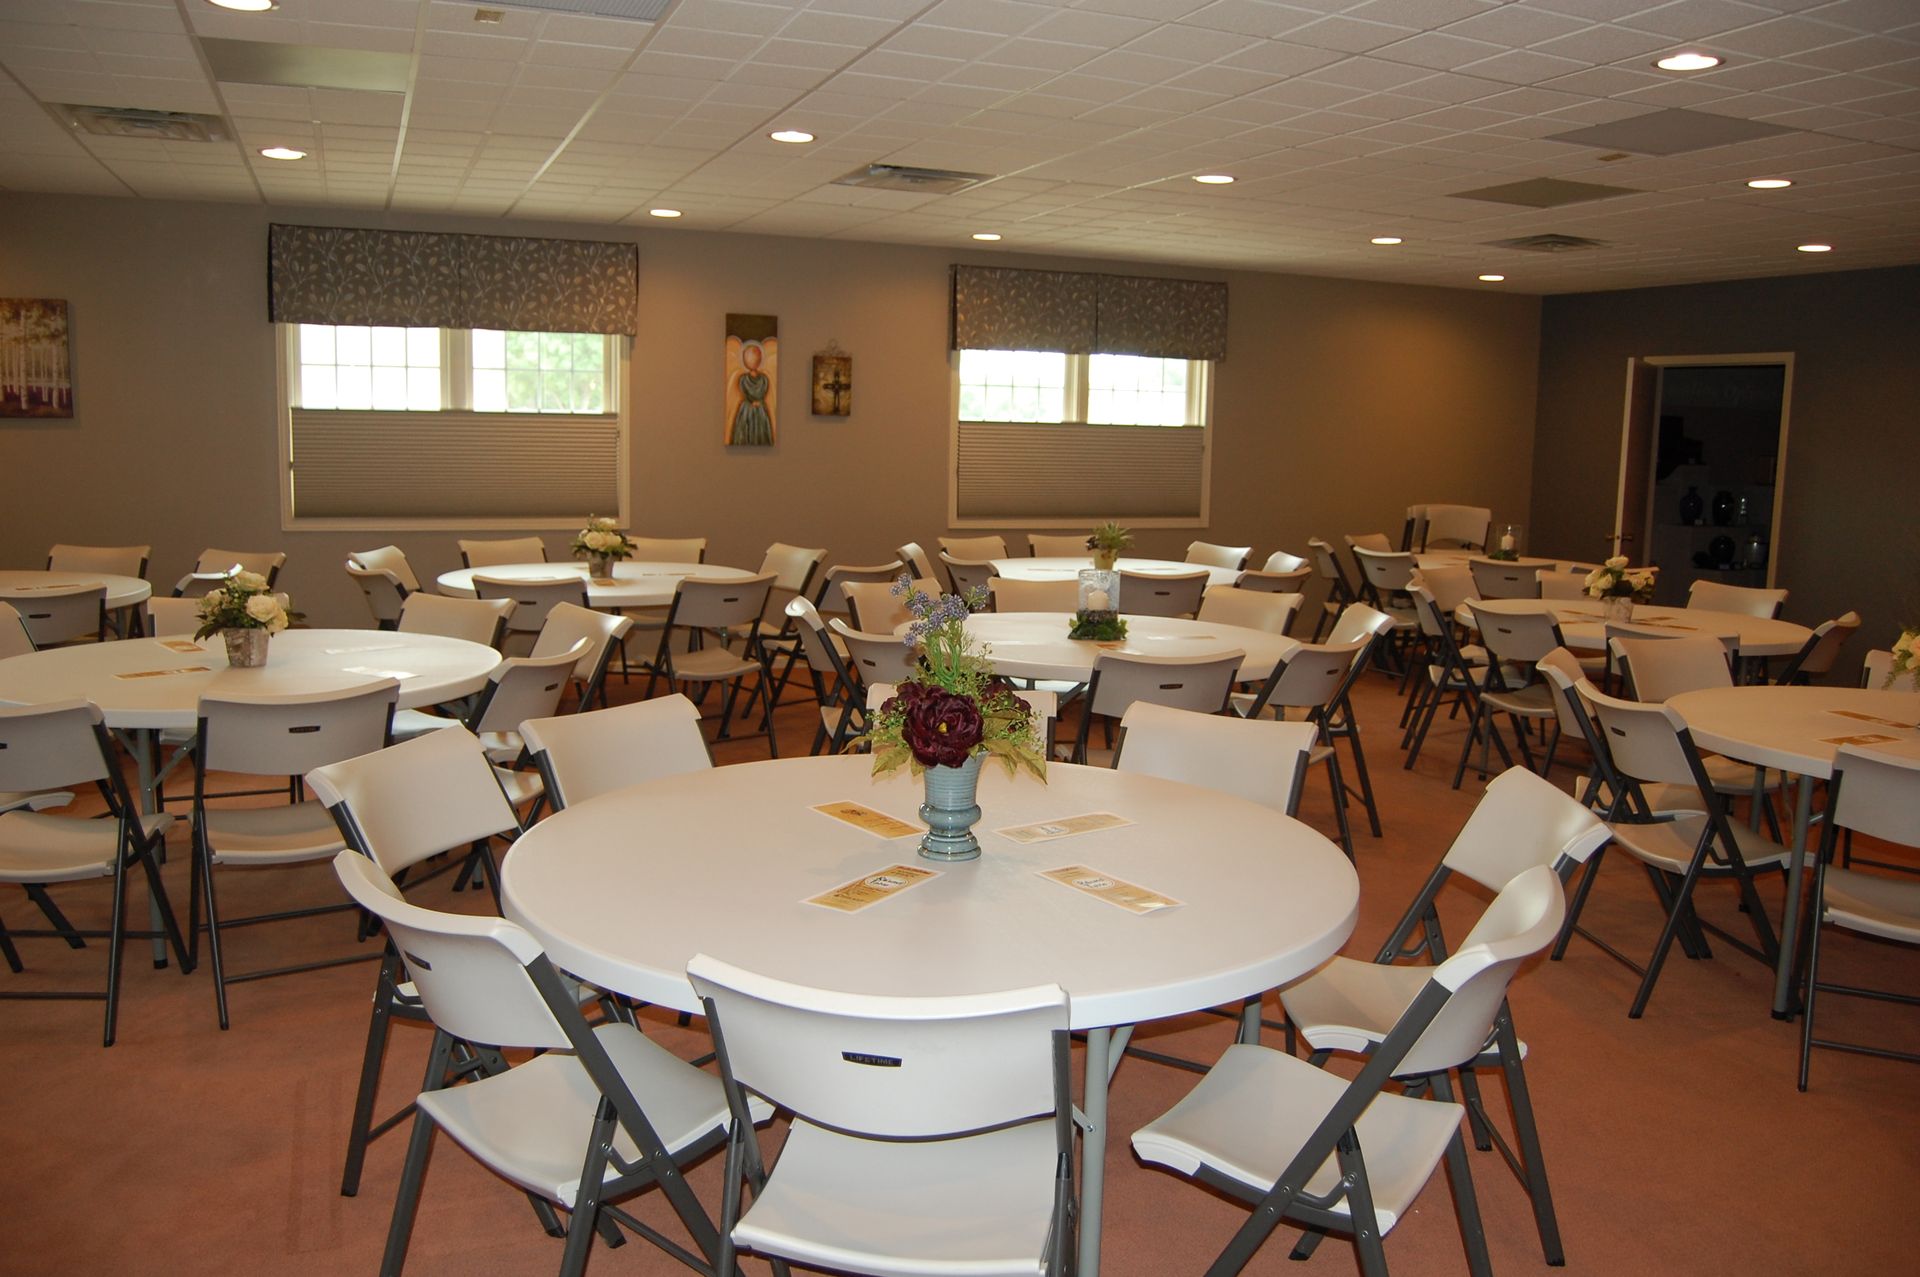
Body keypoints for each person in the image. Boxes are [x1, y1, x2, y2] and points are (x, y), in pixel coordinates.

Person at [729, 340, 773, 446]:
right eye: (749, 358)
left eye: (754, 357)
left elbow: (749, 393)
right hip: (752, 410)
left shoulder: (761, 379)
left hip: (753, 410)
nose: (752, 360)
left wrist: (753, 401)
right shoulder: (745, 379)